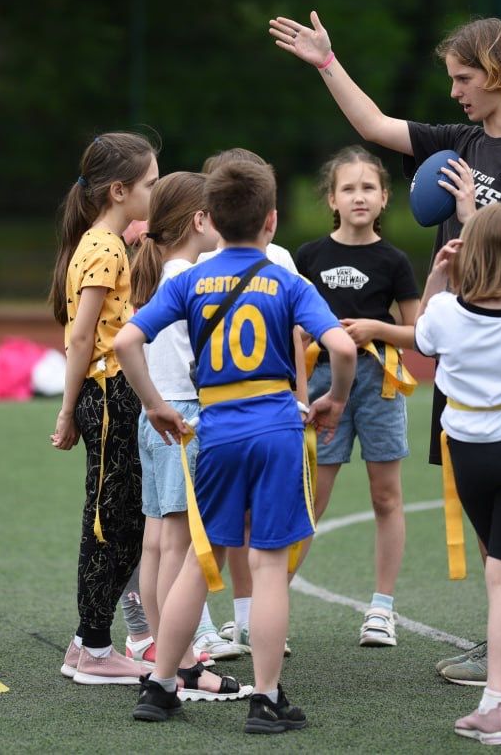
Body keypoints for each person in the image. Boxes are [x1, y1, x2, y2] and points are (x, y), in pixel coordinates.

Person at [269, 11, 501, 684]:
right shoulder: (465, 140)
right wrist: (326, 63)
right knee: (484, 506)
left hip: (500, 351)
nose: (455, 92)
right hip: (461, 350)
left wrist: (474, 225)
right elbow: (375, 126)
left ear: (498, 72)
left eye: (464, 79)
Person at [114, 159, 357, 733]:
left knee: (202, 560)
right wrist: (335, 400)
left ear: (212, 220)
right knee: (268, 566)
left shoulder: (189, 280)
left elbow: (127, 341)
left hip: (216, 430)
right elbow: (343, 348)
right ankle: (266, 699)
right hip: (275, 430)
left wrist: (154, 403)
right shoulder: (287, 280)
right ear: (271, 219)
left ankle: (162, 684)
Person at [355, 203, 501, 743]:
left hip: (468, 457)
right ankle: (495, 707)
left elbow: (423, 334)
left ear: (471, 253)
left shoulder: (444, 313)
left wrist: (437, 275)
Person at [124, 170, 247, 698]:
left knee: (157, 542)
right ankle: (181, 666)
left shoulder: (160, 273)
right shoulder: (190, 279)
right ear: (200, 220)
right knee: (178, 546)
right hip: (184, 417)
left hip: (155, 416)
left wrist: (152, 402)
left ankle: (167, 656)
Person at [293, 145, 421, 648]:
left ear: (385, 197)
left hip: (378, 383)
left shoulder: (394, 261)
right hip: (322, 383)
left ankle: (382, 609)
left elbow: (419, 333)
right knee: (310, 498)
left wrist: (375, 328)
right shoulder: (308, 257)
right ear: (332, 199)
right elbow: (291, 326)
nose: (359, 196)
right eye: (348, 188)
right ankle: (268, 606)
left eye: (369, 187)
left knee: (385, 496)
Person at [49, 131, 159, 686]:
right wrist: (68, 409)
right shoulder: (105, 247)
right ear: (119, 191)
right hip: (110, 394)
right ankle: (93, 647)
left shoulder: (106, 243)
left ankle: (86, 642)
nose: (156, 193)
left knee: (124, 521)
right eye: (150, 184)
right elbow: (81, 337)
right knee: (109, 524)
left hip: (115, 394)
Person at [195, 147, 306, 660]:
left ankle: (172, 671)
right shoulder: (267, 265)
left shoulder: (200, 269)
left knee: (212, 537)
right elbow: (325, 339)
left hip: (219, 417)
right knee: (260, 544)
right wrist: (311, 400)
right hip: (267, 416)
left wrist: (157, 402)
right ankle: (258, 672)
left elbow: (134, 339)